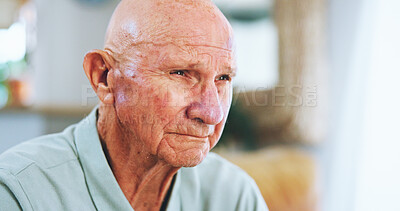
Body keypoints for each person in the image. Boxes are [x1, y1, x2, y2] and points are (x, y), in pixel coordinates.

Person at [0, 0, 269, 210]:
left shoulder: (235, 196)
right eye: (180, 73)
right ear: (103, 77)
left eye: (223, 78)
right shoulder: (18, 193)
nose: (212, 113)